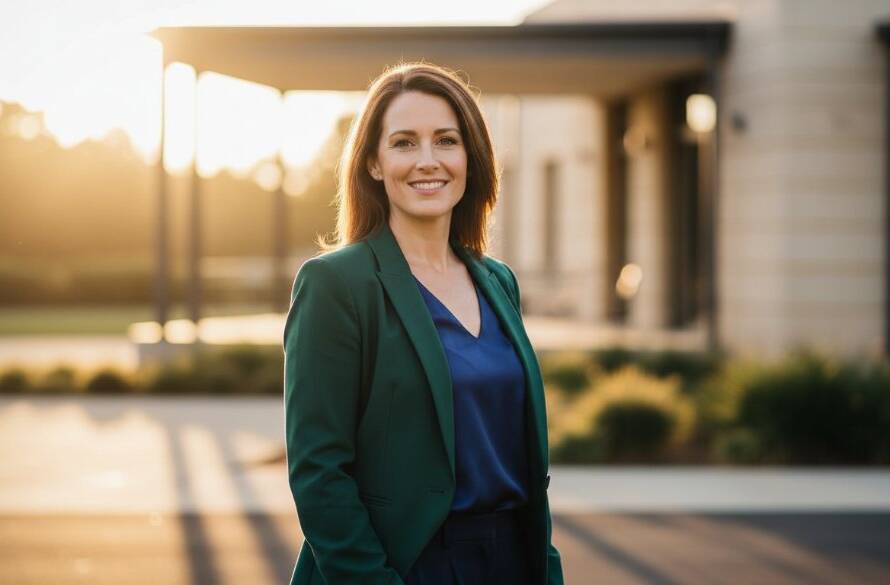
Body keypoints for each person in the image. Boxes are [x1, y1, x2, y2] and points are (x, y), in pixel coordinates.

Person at [283, 61, 564, 585]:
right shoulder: (336, 284)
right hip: (403, 564)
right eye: (405, 143)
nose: (428, 161)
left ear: (470, 157)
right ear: (372, 162)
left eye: (447, 141)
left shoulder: (497, 281)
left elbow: (521, 458)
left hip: (510, 561)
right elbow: (319, 472)